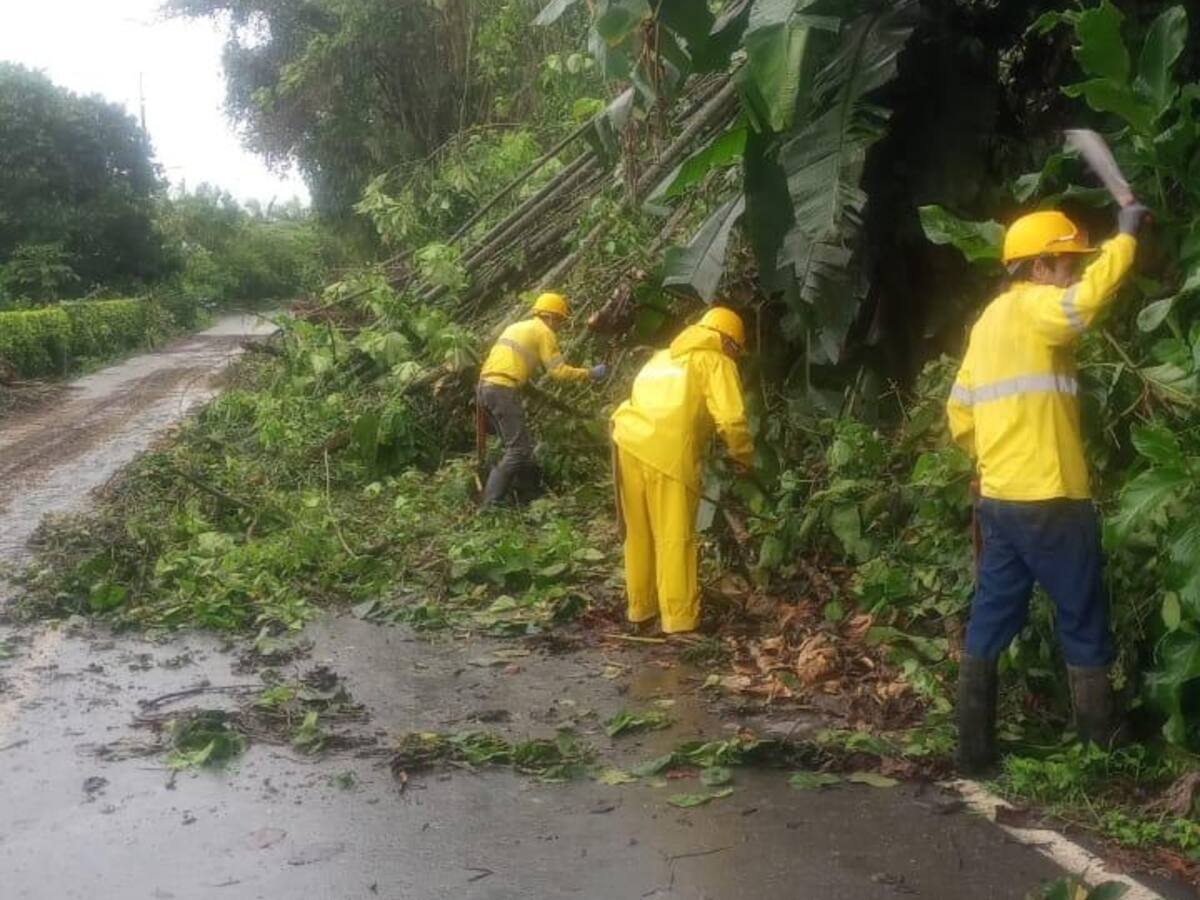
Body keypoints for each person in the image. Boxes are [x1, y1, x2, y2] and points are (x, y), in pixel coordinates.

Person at [947, 202, 1149, 775]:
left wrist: (985, 459)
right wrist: (1125, 240)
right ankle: (1099, 752)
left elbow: (958, 412)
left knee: (992, 615)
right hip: (1052, 496)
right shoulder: (1038, 307)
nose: (1074, 275)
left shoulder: (987, 323)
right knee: (1082, 613)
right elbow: (1082, 306)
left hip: (1001, 499)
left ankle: (973, 753)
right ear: (1038, 267)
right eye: (1067, 265)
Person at [610, 306, 754, 635]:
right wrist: (742, 455)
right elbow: (731, 419)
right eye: (737, 349)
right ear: (729, 341)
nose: (736, 356)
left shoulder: (661, 357)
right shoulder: (715, 360)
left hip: (627, 443)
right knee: (674, 536)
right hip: (668, 454)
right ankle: (679, 619)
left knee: (639, 534)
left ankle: (641, 611)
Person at [477, 292, 607, 506]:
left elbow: (509, 364)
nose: (559, 327)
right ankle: (489, 504)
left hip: (485, 388)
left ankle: (524, 495)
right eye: (560, 321)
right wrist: (590, 373)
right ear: (550, 317)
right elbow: (558, 372)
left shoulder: (516, 327)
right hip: (503, 389)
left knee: (517, 446)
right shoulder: (544, 332)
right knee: (519, 450)